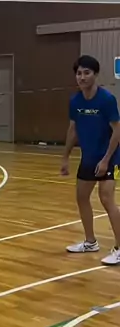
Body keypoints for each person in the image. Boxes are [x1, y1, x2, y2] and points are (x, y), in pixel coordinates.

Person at [61, 54, 120, 265]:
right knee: (81, 197)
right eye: (79, 73)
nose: (82, 77)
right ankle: (90, 242)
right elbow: (73, 129)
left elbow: (117, 130)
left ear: (95, 74)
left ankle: (119, 248)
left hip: (111, 156)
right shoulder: (75, 101)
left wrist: (106, 159)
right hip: (88, 157)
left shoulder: (106, 100)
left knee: (106, 198)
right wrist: (65, 157)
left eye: (87, 73)